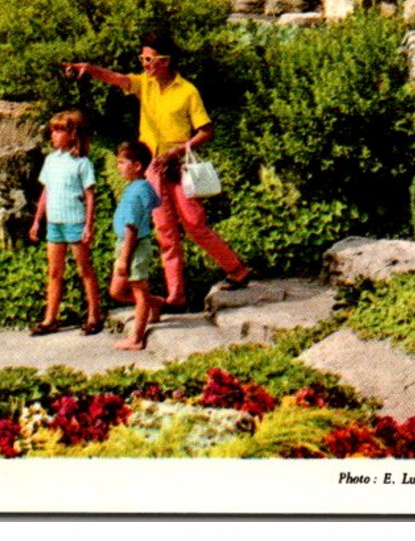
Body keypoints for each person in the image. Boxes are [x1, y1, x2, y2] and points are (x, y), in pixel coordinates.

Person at [62, 32, 253, 308]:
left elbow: (206, 131)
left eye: (148, 59)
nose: (144, 64)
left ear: (164, 61)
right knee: (165, 231)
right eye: (142, 58)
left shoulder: (187, 90)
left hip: (178, 165)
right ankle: (176, 295)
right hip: (152, 166)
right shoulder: (146, 85)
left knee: (194, 223)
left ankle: (237, 269)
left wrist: (178, 149)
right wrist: (89, 69)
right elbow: (118, 79)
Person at [27, 110, 104, 337]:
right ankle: (50, 318)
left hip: (75, 222)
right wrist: (37, 221)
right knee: (54, 271)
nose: (54, 135)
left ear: (73, 134)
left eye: (60, 130)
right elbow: (46, 192)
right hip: (54, 223)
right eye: (53, 130)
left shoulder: (82, 162)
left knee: (84, 269)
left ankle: (94, 315)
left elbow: (90, 195)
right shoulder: (51, 160)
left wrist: (88, 225)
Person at [110, 140, 166, 350]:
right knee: (116, 291)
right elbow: (154, 202)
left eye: (122, 163)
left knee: (139, 292)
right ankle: (155, 303)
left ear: (137, 166)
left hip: (133, 246)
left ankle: (136, 339)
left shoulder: (135, 192)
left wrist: (124, 258)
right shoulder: (141, 186)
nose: (118, 167)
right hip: (125, 244)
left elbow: (132, 228)